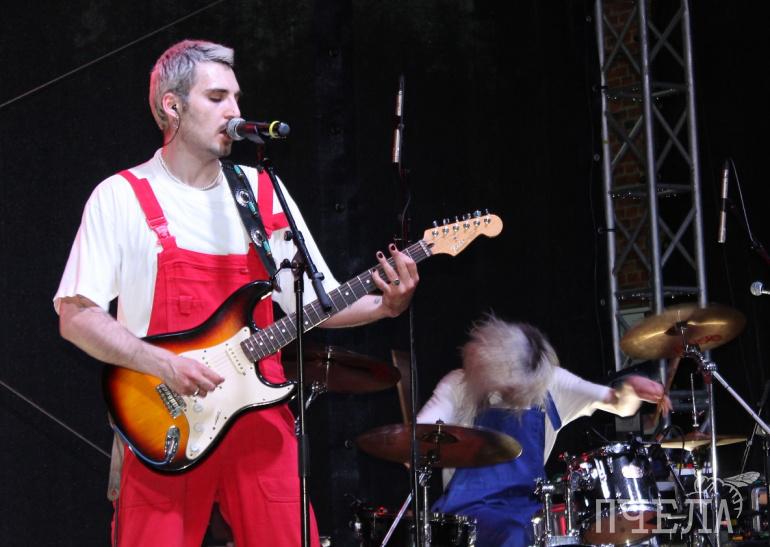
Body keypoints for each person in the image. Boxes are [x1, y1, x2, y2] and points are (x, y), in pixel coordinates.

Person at [54, 40, 419, 547]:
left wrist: (385, 305)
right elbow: (75, 315)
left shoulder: (261, 191)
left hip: (259, 412)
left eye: (236, 98)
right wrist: (162, 364)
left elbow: (317, 299)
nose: (234, 111)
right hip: (166, 419)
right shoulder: (121, 196)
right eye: (217, 97)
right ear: (172, 106)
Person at [416, 315, 670, 547]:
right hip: (467, 514)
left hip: (529, 509)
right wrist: (414, 447)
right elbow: (418, 435)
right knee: (513, 536)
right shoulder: (459, 385)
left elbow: (615, 403)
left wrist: (631, 391)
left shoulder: (550, 382)